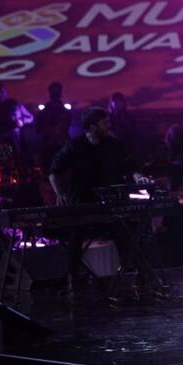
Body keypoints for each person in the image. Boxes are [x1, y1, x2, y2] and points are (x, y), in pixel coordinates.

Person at [49, 107, 145, 294]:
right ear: (92, 127)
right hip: (83, 203)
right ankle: (73, 280)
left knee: (125, 231)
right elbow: (54, 171)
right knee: (76, 235)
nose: (109, 125)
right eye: (105, 123)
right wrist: (60, 193)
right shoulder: (75, 146)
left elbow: (129, 166)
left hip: (111, 202)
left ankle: (134, 274)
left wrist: (138, 176)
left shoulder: (113, 145)